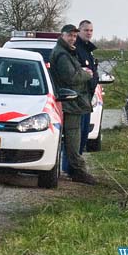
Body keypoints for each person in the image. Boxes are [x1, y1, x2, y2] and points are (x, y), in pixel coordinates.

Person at [49, 24, 96, 185]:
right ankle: (76, 170)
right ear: (62, 35)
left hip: (73, 102)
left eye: (75, 36)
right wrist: (87, 74)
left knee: (73, 138)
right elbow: (71, 77)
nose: (72, 38)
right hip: (70, 103)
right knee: (73, 138)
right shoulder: (62, 54)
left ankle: (73, 169)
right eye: (70, 35)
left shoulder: (67, 52)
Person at [75, 20, 99, 151]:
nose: (89, 33)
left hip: (87, 98)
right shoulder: (76, 49)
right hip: (78, 99)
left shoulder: (87, 49)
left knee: (83, 136)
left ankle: (75, 168)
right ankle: (70, 169)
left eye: (91, 30)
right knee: (76, 137)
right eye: (86, 30)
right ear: (79, 31)